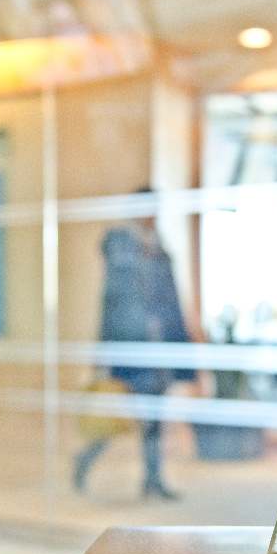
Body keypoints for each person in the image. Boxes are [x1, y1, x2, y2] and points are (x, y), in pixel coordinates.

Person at [73, 191, 194, 500]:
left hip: (158, 353)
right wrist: (104, 354)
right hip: (131, 352)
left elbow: (171, 304)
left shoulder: (157, 250)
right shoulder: (122, 247)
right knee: (116, 418)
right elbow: (112, 303)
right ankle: (85, 459)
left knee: (153, 420)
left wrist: (181, 351)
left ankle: (152, 480)